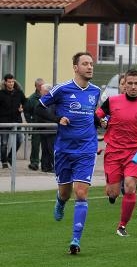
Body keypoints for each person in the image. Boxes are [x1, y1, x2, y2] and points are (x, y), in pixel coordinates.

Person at [35, 52, 100, 254]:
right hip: (64, 149)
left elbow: (93, 116)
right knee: (65, 192)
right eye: (85, 64)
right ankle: (60, 202)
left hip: (87, 148)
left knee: (81, 193)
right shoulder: (62, 89)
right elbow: (38, 108)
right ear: (75, 67)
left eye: (91, 63)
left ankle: (75, 240)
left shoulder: (96, 91)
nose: (90, 67)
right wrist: (58, 119)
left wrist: (101, 122)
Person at [96, 69, 137, 236]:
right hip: (113, 152)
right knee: (113, 192)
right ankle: (111, 192)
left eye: (136, 83)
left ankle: (122, 226)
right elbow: (97, 116)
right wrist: (102, 121)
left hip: (135, 152)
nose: (133, 87)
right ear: (124, 85)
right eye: (129, 83)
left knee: (131, 187)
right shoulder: (112, 101)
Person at [0, 73, 27, 168]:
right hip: (4, 121)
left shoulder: (19, 93)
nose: (11, 83)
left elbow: (25, 102)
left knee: (20, 139)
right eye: (9, 82)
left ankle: (10, 157)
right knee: (4, 143)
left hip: (16, 120)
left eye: (12, 81)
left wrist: (22, 108)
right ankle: (4, 161)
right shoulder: (1, 94)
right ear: (5, 82)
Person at [24, 78, 45, 171]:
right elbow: (27, 111)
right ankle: (34, 162)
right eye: (40, 86)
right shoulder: (32, 98)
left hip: (47, 125)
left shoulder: (47, 96)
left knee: (47, 145)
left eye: (43, 85)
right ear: (36, 86)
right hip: (36, 125)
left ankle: (45, 162)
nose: (42, 87)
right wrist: (30, 122)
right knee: (35, 145)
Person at [37, 83, 56, 173]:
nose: (40, 92)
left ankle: (53, 167)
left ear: (47, 92)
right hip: (44, 128)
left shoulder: (51, 102)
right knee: (45, 149)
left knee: (51, 149)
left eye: (42, 90)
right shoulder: (43, 101)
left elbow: (50, 115)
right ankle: (45, 166)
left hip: (50, 129)